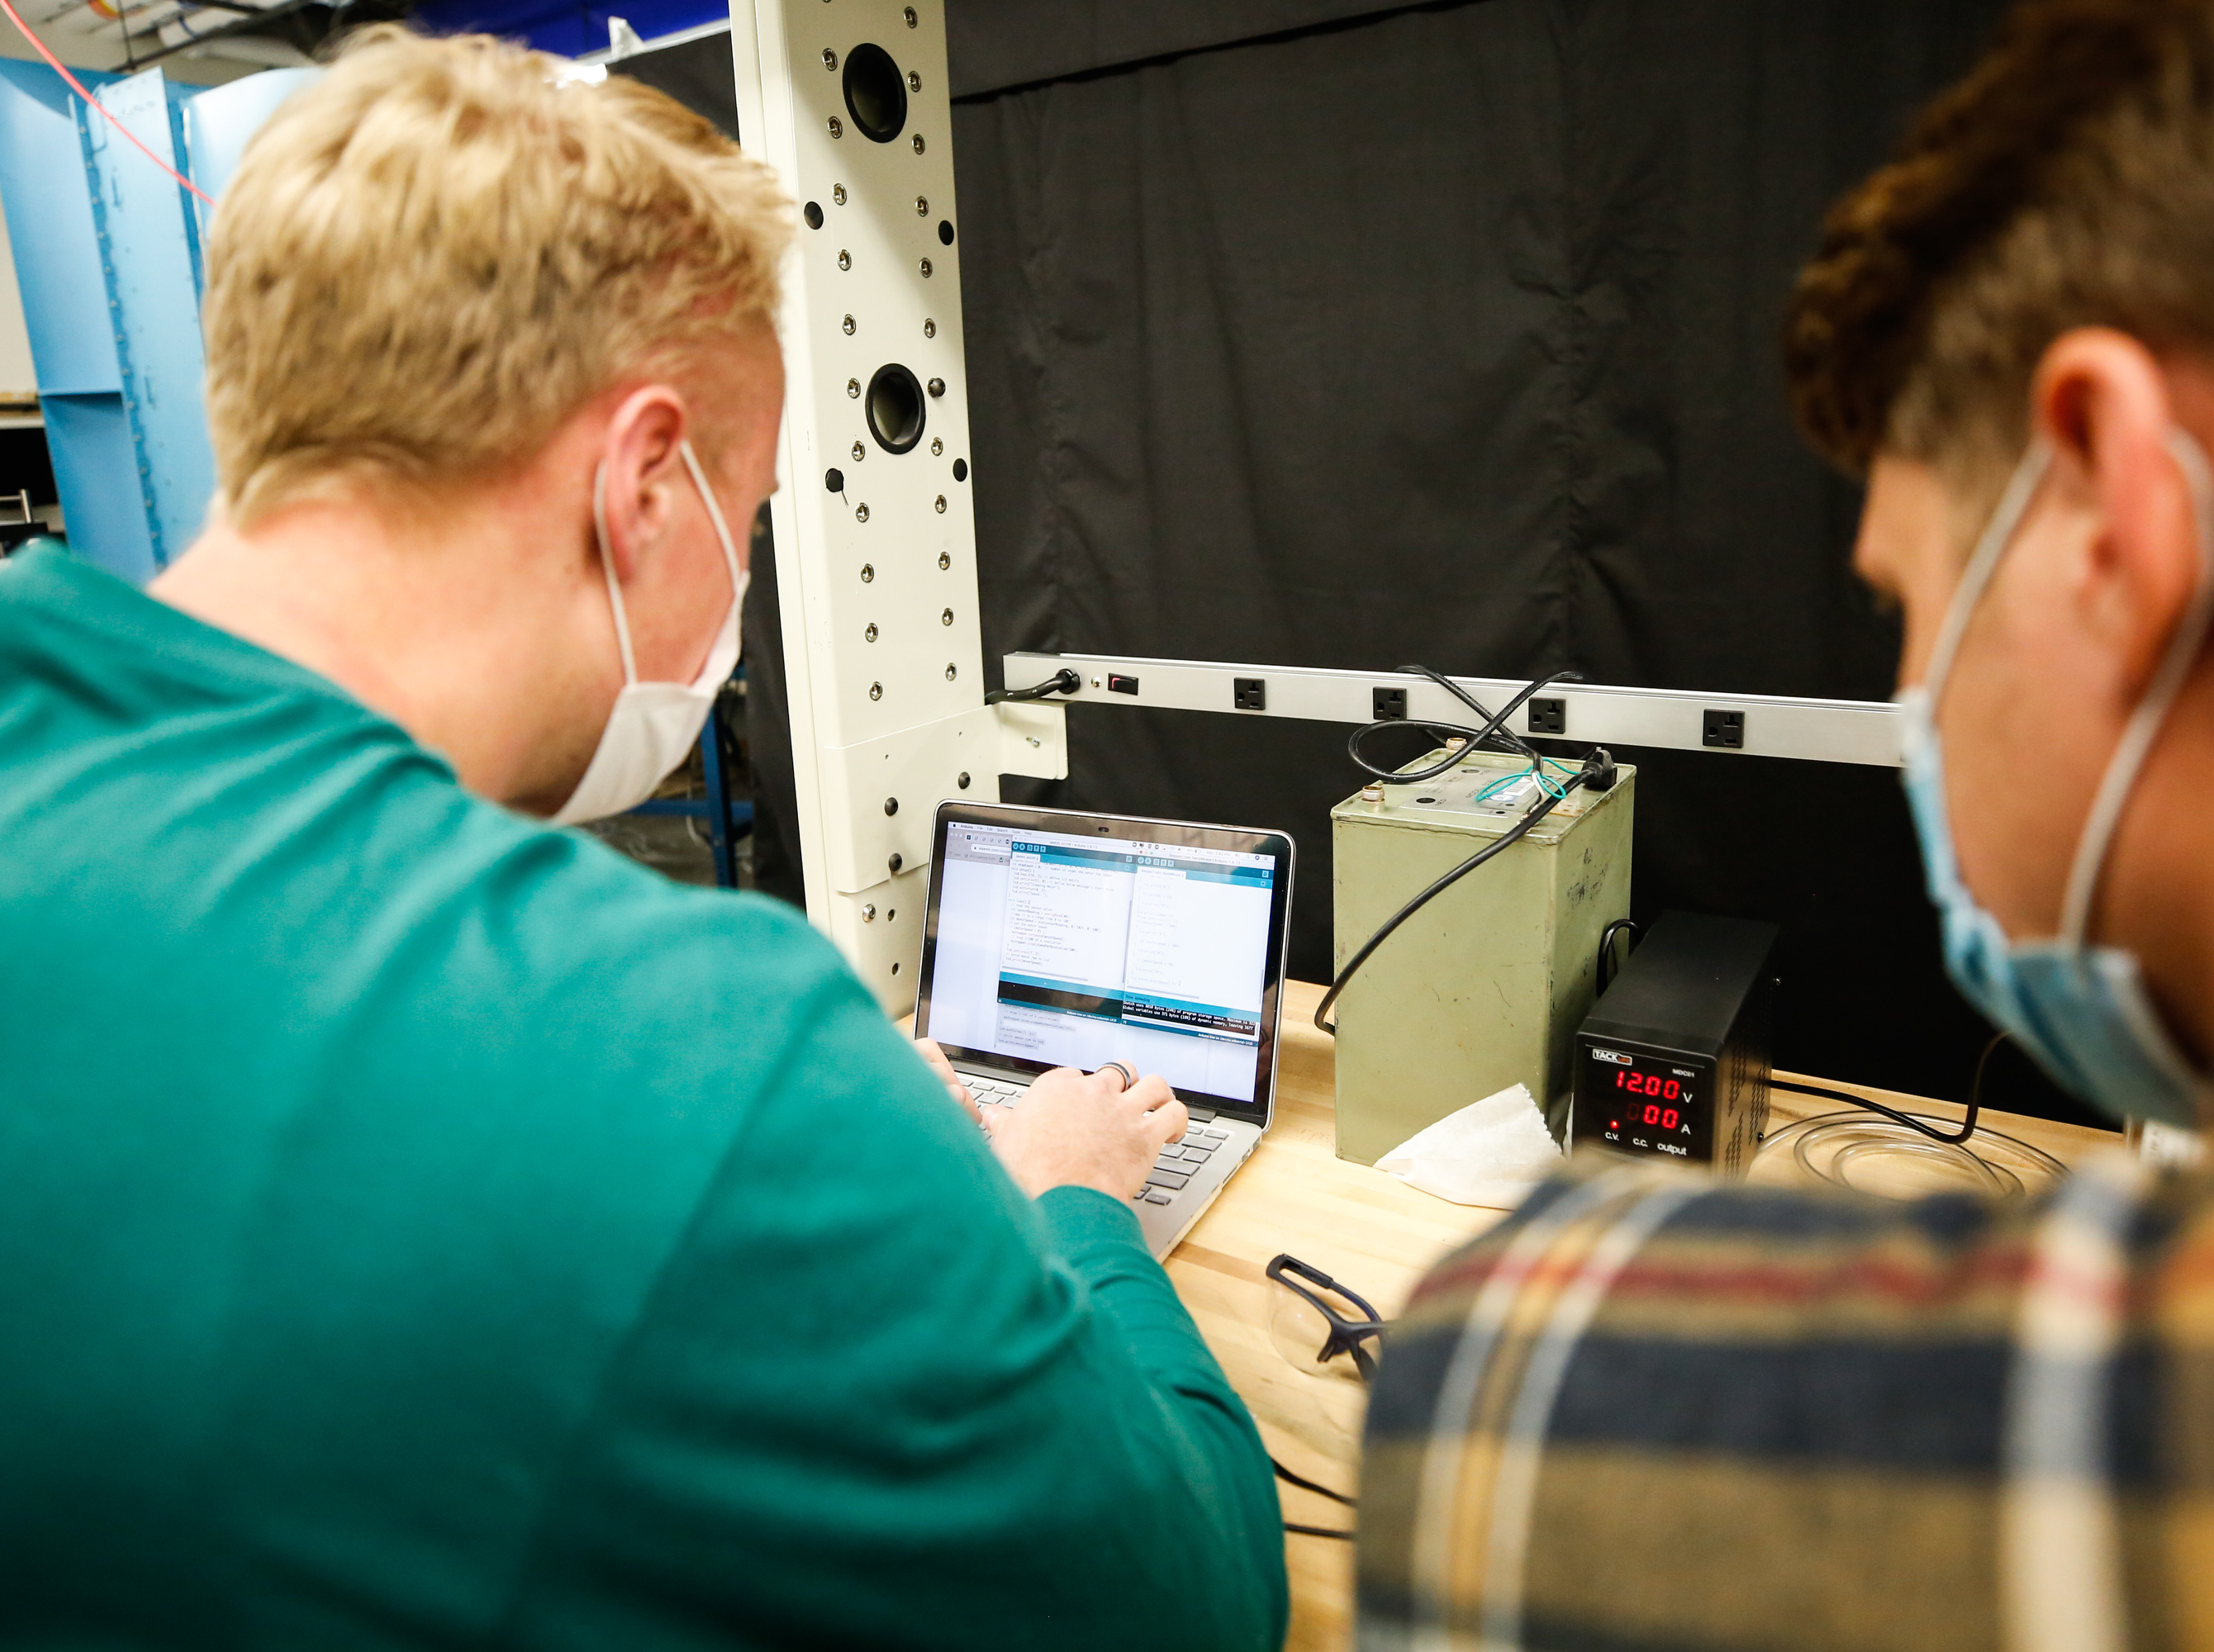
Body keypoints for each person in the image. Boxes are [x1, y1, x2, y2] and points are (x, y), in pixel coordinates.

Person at [0, 31, 1286, 1650]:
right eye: (746, 516)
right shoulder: (698, 1054)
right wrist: (1067, 1202)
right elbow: (1190, 1606)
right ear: (643, 486)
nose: (737, 611)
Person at [1359, 1, 2214, 1647]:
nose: (1916, 697)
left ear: (2116, 516)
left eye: (1906, 600)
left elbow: (1502, 1366)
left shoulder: (1547, 1388)